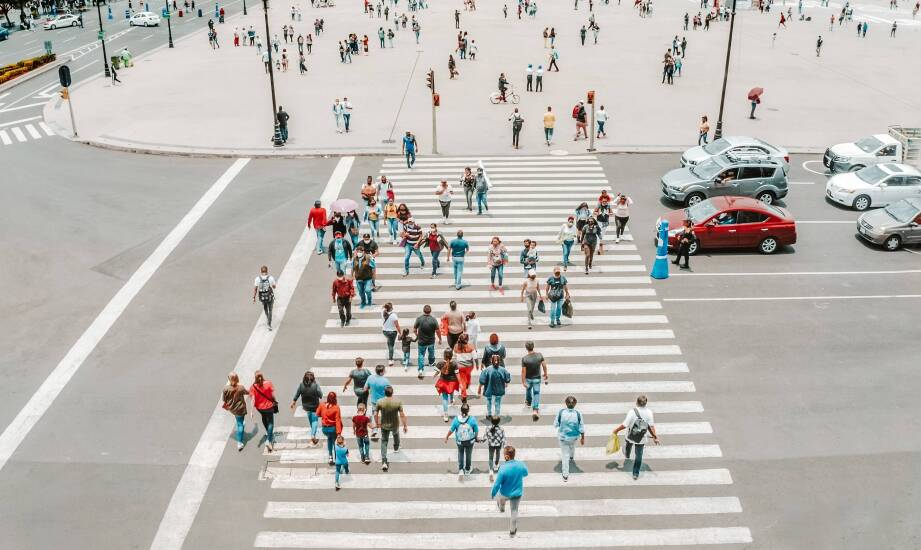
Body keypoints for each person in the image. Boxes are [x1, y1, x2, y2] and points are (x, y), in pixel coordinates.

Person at [612, 394, 660, 479]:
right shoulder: (649, 413)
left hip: (630, 436)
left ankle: (627, 455)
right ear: (646, 403)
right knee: (639, 456)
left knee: (628, 446)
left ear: (637, 402)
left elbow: (625, 425)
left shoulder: (632, 412)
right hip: (641, 439)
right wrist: (655, 438)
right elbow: (651, 426)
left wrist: (616, 430)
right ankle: (635, 473)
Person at [491, 445, 528, 537]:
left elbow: (497, 484)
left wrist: (492, 493)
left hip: (505, 493)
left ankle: (502, 508)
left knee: (500, 498)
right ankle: (512, 531)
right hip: (517, 493)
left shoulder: (503, 468)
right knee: (514, 511)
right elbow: (526, 473)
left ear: (506, 456)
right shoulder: (520, 465)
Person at [374, 385, 407, 471]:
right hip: (395, 424)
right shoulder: (398, 402)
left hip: (384, 425)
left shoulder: (379, 401)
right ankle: (396, 447)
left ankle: (384, 461)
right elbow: (402, 414)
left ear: (384, 393)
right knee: (396, 435)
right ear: (392, 392)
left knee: (384, 441)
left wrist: (377, 423)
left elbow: (375, 414)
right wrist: (405, 425)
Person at [554, 395, 585, 481]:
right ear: (575, 404)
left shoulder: (561, 412)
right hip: (574, 437)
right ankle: (572, 456)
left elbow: (555, 424)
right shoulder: (578, 414)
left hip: (563, 438)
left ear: (565, 403)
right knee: (572, 446)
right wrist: (583, 438)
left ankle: (565, 475)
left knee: (564, 456)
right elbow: (581, 427)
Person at [445, 402, 479, 479]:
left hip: (460, 441)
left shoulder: (456, 420)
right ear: (468, 411)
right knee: (468, 454)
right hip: (470, 441)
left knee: (460, 453)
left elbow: (451, 429)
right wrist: (476, 438)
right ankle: (467, 470)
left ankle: (461, 470)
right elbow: (476, 430)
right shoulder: (472, 419)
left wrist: (447, 436)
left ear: (461, 410)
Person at [291, 371, 322, 446]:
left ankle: (313, 433)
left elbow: (297, 393)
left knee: (311, 419)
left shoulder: (301, 385)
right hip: (315, 406)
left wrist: (294, 401)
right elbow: (320, 395)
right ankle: (313, 435)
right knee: (314, 420)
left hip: (306, 406)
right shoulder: (315, 386)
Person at [249, 371, 277, 452]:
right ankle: (268, 440)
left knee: (264, 418)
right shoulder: (268, 383)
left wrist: (251, 411)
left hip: (259, 408)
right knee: (271, 422)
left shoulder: (253, 387)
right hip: (269, 406)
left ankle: (268, 433)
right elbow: (272, 396)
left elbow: (253, 400)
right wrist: (275, 401)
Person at [521, 341, 548, 420]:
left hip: (528, 378)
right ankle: (535, 410)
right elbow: (544, 365)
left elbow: (523, 371)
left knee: (528, 390)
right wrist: (545, 374)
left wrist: (523, 381)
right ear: (533, 346)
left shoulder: (524, 359)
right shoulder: (539, 355)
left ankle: (529, 402)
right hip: (537, 378)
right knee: (536, 393)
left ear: (526, 348)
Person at [478, 354, 511, 420]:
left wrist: (479, 388)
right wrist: (506, 383)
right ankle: (497, 415)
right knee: (497, 402)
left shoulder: (487, 370)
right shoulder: (503, 370)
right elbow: (507, 379)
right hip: (499, 390)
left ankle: (489, 414)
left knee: (489, 400)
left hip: (489, 389)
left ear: (491, 361)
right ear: (500, 361)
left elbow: (482, 380)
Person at [222, 373, 249, 451]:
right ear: (237, 379)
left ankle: (240, 423)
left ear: (229, 379)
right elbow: (247, 392)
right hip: (240, 408)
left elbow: (224, 400)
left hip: (232, 409)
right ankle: (239, 443)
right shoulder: (241, 388)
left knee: (238, 420)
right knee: (240, 425)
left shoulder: (225, 389)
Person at [414, 304, 441, 378]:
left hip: (421, 342)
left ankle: (420, 370)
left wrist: (417, 336)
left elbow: (414, 329)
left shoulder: (419, 319)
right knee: (431, 353)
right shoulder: (433, 320)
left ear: (423, 311)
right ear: (430, 311)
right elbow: (438, 331)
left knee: (421, 355)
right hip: (431, 341)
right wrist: (440, 339)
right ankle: (431, 363)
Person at [317, 392, 343, 465]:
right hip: (333, 429)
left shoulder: (322, 405)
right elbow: (337, 420)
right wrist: (339, 433)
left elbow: (317, 413)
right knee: (335, 443)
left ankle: (330, 456)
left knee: (329, 439)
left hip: (325, 429)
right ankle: (337, 458)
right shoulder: (336, 408)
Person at [434, 349, 459, 422]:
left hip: (443, 382)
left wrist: (434, 376)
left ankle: (445, 415)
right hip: (452, 382)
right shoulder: (454, 364)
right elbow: (457, 373)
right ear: (452, 356)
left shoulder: (440, 363)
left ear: (444, 356)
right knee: (451, 391)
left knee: (444, 398)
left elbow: (437, 371)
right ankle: (451, 400)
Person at [366, 363, 390, 438]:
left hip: (374, 400)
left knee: (374, 414)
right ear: (381, 372)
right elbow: (389, 391)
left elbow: (365, 388)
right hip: (383, 401)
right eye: (384, 371)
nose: (385, 371)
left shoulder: (370, 378)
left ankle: (375, 429)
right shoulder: (385, 381)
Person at [453, 333, 477, 400]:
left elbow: (454, 355)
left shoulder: (456, 346)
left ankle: (464, 394)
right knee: (468, 374)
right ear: (467, 340)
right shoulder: (470, 347)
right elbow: (475, 357)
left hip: (460, 367)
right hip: (469, 366)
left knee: (462, 380)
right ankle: (468, 383)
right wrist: (477, 364)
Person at [252, 265, 276, 330]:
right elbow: (274, 287)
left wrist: (254, 297)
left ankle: (267, 317)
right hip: (269, 296)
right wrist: (272, 285)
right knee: (270, 309)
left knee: (265, 307)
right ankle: (269, 324)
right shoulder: (270, 278)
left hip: (262, 297)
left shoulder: (257, 279)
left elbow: (255, 289)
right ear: (267, 271)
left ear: (261, 271)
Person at [485, 416, 506, 481]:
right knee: (497, 454)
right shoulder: (501, 429)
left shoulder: (488, 428)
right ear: (499, 422)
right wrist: (504, 445)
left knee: (490, 457)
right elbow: (503, 438)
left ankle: (491, 470)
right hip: (498, 444)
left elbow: (485, 437)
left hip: (491, 444)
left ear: (491, 421)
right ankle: (496, 465)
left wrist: (479, 440)